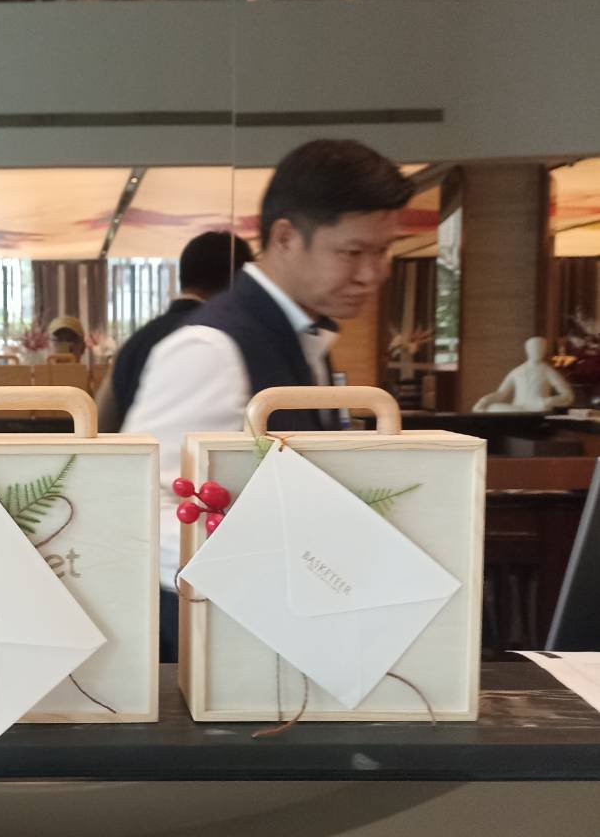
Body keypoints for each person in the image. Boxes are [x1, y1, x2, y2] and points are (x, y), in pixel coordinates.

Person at [122, 139, 413, 662]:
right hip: (214, 646)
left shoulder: (301, 335)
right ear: (285, 237)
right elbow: (133, 511)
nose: (374, 274)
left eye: (383, 252)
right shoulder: (211, 347)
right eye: (353, 252)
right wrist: (287, 573)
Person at [96, 230, 254, 432]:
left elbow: (103, 422)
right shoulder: (231, 339)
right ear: (236, 280)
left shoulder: (134, 343)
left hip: (141, 460)